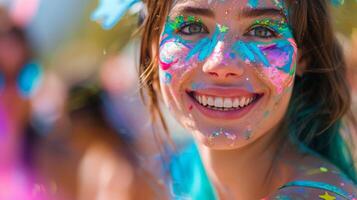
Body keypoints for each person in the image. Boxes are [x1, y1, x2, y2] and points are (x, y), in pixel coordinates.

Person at [135, 0, 357, 199]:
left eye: (262, 31)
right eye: (192, 27)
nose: (221, 64)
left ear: (303, 56)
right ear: (151, 52)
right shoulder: (173, 183)